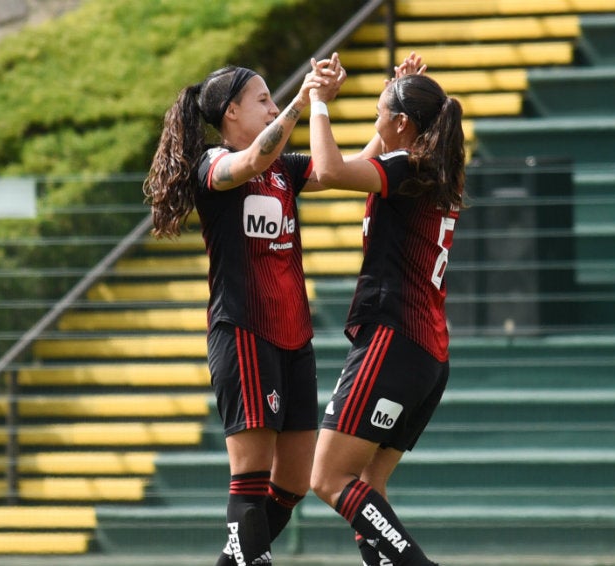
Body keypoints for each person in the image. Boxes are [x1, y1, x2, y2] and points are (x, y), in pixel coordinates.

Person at [142, 62, 338, 565]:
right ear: (230, 112)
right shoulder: (213, 164)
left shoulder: (286, 170)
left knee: (292, 484)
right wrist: (300, 102)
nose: (273, 106)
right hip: (245, 332)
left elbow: (342, 168)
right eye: (264, 99)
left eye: (275, 100)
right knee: (250, 479)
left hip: (295, 337)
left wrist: (389, 123)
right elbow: (251, 161)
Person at [307, 51, 465, 566]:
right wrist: (402, 100)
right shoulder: (429, 167)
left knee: (328, 479)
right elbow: (368, 158)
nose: (375, 121)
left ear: (402, 124)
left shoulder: (408, 166)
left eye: (381, 113)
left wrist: (318, 103)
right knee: (368, 488)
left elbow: (329, 171)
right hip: (426, 354)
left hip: (392, 341)